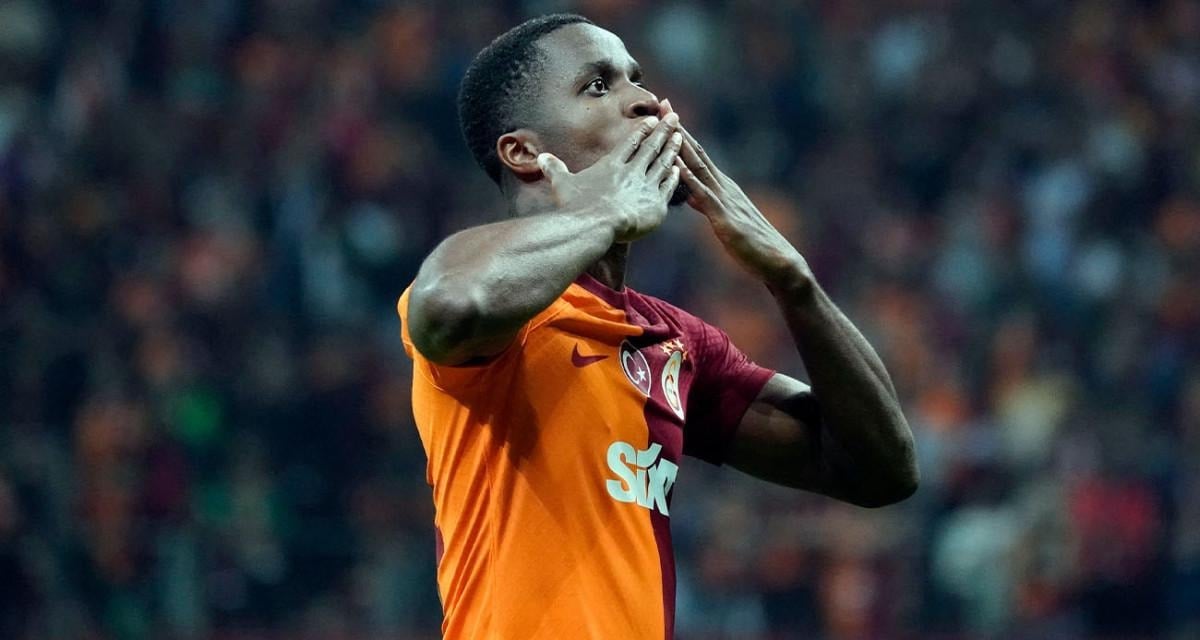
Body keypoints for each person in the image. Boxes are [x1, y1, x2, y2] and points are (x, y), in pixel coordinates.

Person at [397, 13, 918, 639]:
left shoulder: (674, 343)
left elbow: (880, 471)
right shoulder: (498, 305)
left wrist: (792, 280)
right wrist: (604, 214)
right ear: (524, 152)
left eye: (636, 79)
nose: (646, 101)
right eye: (598, 86)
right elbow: (447, 308)